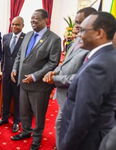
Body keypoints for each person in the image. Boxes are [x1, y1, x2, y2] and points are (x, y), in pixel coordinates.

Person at [59, 12, 116, 150]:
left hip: (87, 140)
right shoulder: (108, 56)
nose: (78, 34)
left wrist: (67, 145)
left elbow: (83, 115)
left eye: (83, 30)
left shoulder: (98, 65)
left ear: (99, 33)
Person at [42, 7, 96, 149]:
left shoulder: (92, 46)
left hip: (76, 97)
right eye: (76, 22)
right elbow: (65, 62)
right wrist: (54, 72)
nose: (76, 26)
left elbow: (81, 77)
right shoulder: (77, 40)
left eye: (80, 22)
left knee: (65, 127)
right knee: (62, 126)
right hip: (64, 95)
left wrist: (56, 79)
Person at [10, 9, 61, 150]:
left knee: (38, 114)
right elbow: (20, 55)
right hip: (23, 82)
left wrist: (34, 76)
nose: (33, 21)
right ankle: (26, 131)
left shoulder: (54, 39)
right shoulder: (27, 35)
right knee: (24, 111)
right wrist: (15, 68)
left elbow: (52, 63)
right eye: (32, 18)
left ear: (46, 21)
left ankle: (37, 138)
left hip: (39, 85)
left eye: (36, 19)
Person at [0, 16, 25, 133]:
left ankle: (17, 121)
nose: (15, 27)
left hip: (18, 74)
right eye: (13, 24)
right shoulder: (6, 37)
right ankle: (4, 118)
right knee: (5, 96)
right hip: (6, 72)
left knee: (17, 98)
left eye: (17, 25)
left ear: (22, 26)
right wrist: (1, 69)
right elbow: (3, 54)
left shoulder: (26, 38)